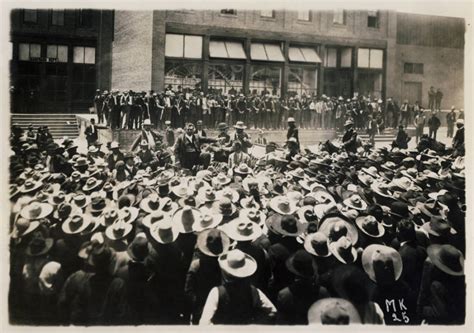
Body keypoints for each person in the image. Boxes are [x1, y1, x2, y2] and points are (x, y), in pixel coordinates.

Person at [199, 249, 277, 325]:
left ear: (225, 272)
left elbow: (204, 323)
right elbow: (273, 311)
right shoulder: (253, 291)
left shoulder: (216, 292)